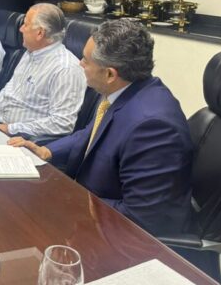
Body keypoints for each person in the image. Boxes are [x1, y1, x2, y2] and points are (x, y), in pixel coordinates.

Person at [10, 20, 194, 236]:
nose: (80, 64)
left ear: (109, 74)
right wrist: (47, 151)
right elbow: (91, 134)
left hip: (118, 235)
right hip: (91, 204)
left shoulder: (153, 127)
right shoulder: (124, 91)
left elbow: (141, 217)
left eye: (85, 60)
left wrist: (72, 200)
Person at [0, 3, 86, 141]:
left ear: (40, 33)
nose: (21, 29)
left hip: (23, 140)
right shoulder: (31, 52)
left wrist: (9, 129)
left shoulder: (66, 69)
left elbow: (62, 123)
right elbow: (10, 89)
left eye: (25, 24)